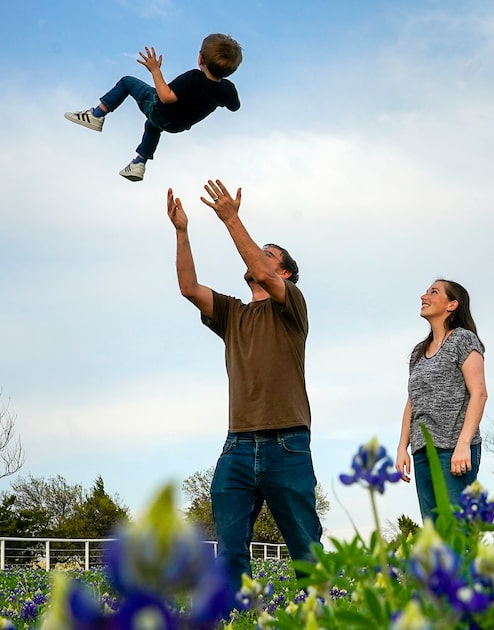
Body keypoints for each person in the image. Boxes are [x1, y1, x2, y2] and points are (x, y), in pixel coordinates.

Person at [166, 178, 321, 589]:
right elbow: (188, 288)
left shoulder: (292, 308)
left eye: (267, 256)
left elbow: (263, 274)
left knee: (305, 547)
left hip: (287, 444)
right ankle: (240, 614)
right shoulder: (232, 314)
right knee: (231, 549)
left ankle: (321, 611)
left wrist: (232, 220)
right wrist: (183, 233)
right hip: (237, 445)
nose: (257, 259)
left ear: (284, 272)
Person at [65, 34, 242, 182]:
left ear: (200, 58)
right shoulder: (227, 90)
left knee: (127, 82)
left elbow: (166, 97)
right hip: (176, 125)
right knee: (152, 126)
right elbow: (235, 107)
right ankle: (139, 163)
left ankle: (97, 115)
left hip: (159, 109)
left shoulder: (194, 78)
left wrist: (155, 70)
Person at [395, 279, 489, 522]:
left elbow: (479, 393)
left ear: (452, 305)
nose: (423, 296)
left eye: (433, 292)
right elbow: (412, 401)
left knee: (459, 528)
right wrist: (402, 447)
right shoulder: (418, 351)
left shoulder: (463, 340)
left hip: (453, 450)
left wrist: (463, 444)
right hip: (422, 451)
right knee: (434, 529)